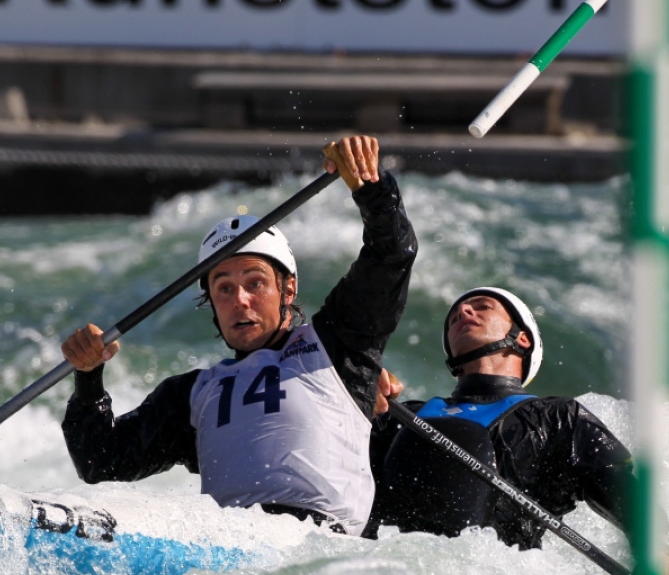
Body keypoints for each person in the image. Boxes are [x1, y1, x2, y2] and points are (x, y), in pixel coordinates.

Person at [60, 134, 418, 536]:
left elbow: (391, 254)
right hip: (232, 551)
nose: (240, 301)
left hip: (323, 546)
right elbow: (100, 462)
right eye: (224, 288)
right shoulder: (191, 395)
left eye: (255, 283)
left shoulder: (339, 345)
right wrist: (88, 380)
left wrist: (371, 187)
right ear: (210, 302)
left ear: (288, 289)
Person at [365, 286, 641, 551]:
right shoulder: (399, 415)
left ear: (522, 337)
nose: (463, 312)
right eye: (452, 319)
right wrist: (360, 389)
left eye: (482, 307)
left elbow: (623, 488)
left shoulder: (559, 418)